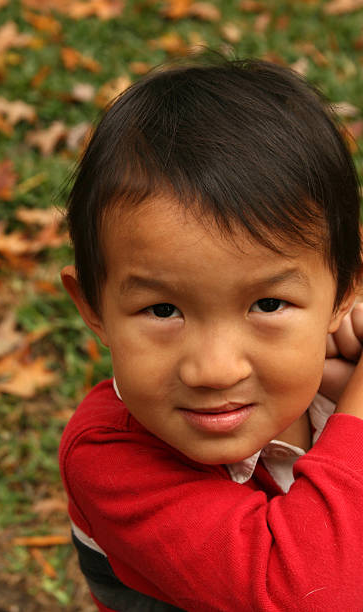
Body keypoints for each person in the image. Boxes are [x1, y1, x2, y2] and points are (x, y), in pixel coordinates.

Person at [59, 57, 363, 611]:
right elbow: (312, 595)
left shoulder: (332, 381)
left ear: (345, 292)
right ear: (94, 306)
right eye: (162, 310)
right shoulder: (109, 457)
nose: (215, 369)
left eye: (268, 304)